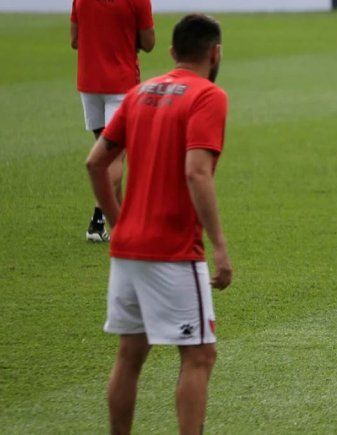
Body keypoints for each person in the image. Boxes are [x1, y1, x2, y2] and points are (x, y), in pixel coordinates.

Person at [85, 14, 232, 434]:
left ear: (172, 53)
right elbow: (196, 172)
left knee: (130, 354)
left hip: (127, 248)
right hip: (173, 250)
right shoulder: (208, 96)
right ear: (215, 52)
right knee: (199, 355)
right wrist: (219, 245)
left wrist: (119, 221)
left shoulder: (139, 92)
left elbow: (96, 162)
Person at [71, 0, 155, 242]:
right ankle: (98, 217)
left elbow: (75, 40)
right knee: (115, 156)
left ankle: (121, 225)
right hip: (121, 84)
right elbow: (149, 43)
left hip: (88, 83)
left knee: (105, 152)